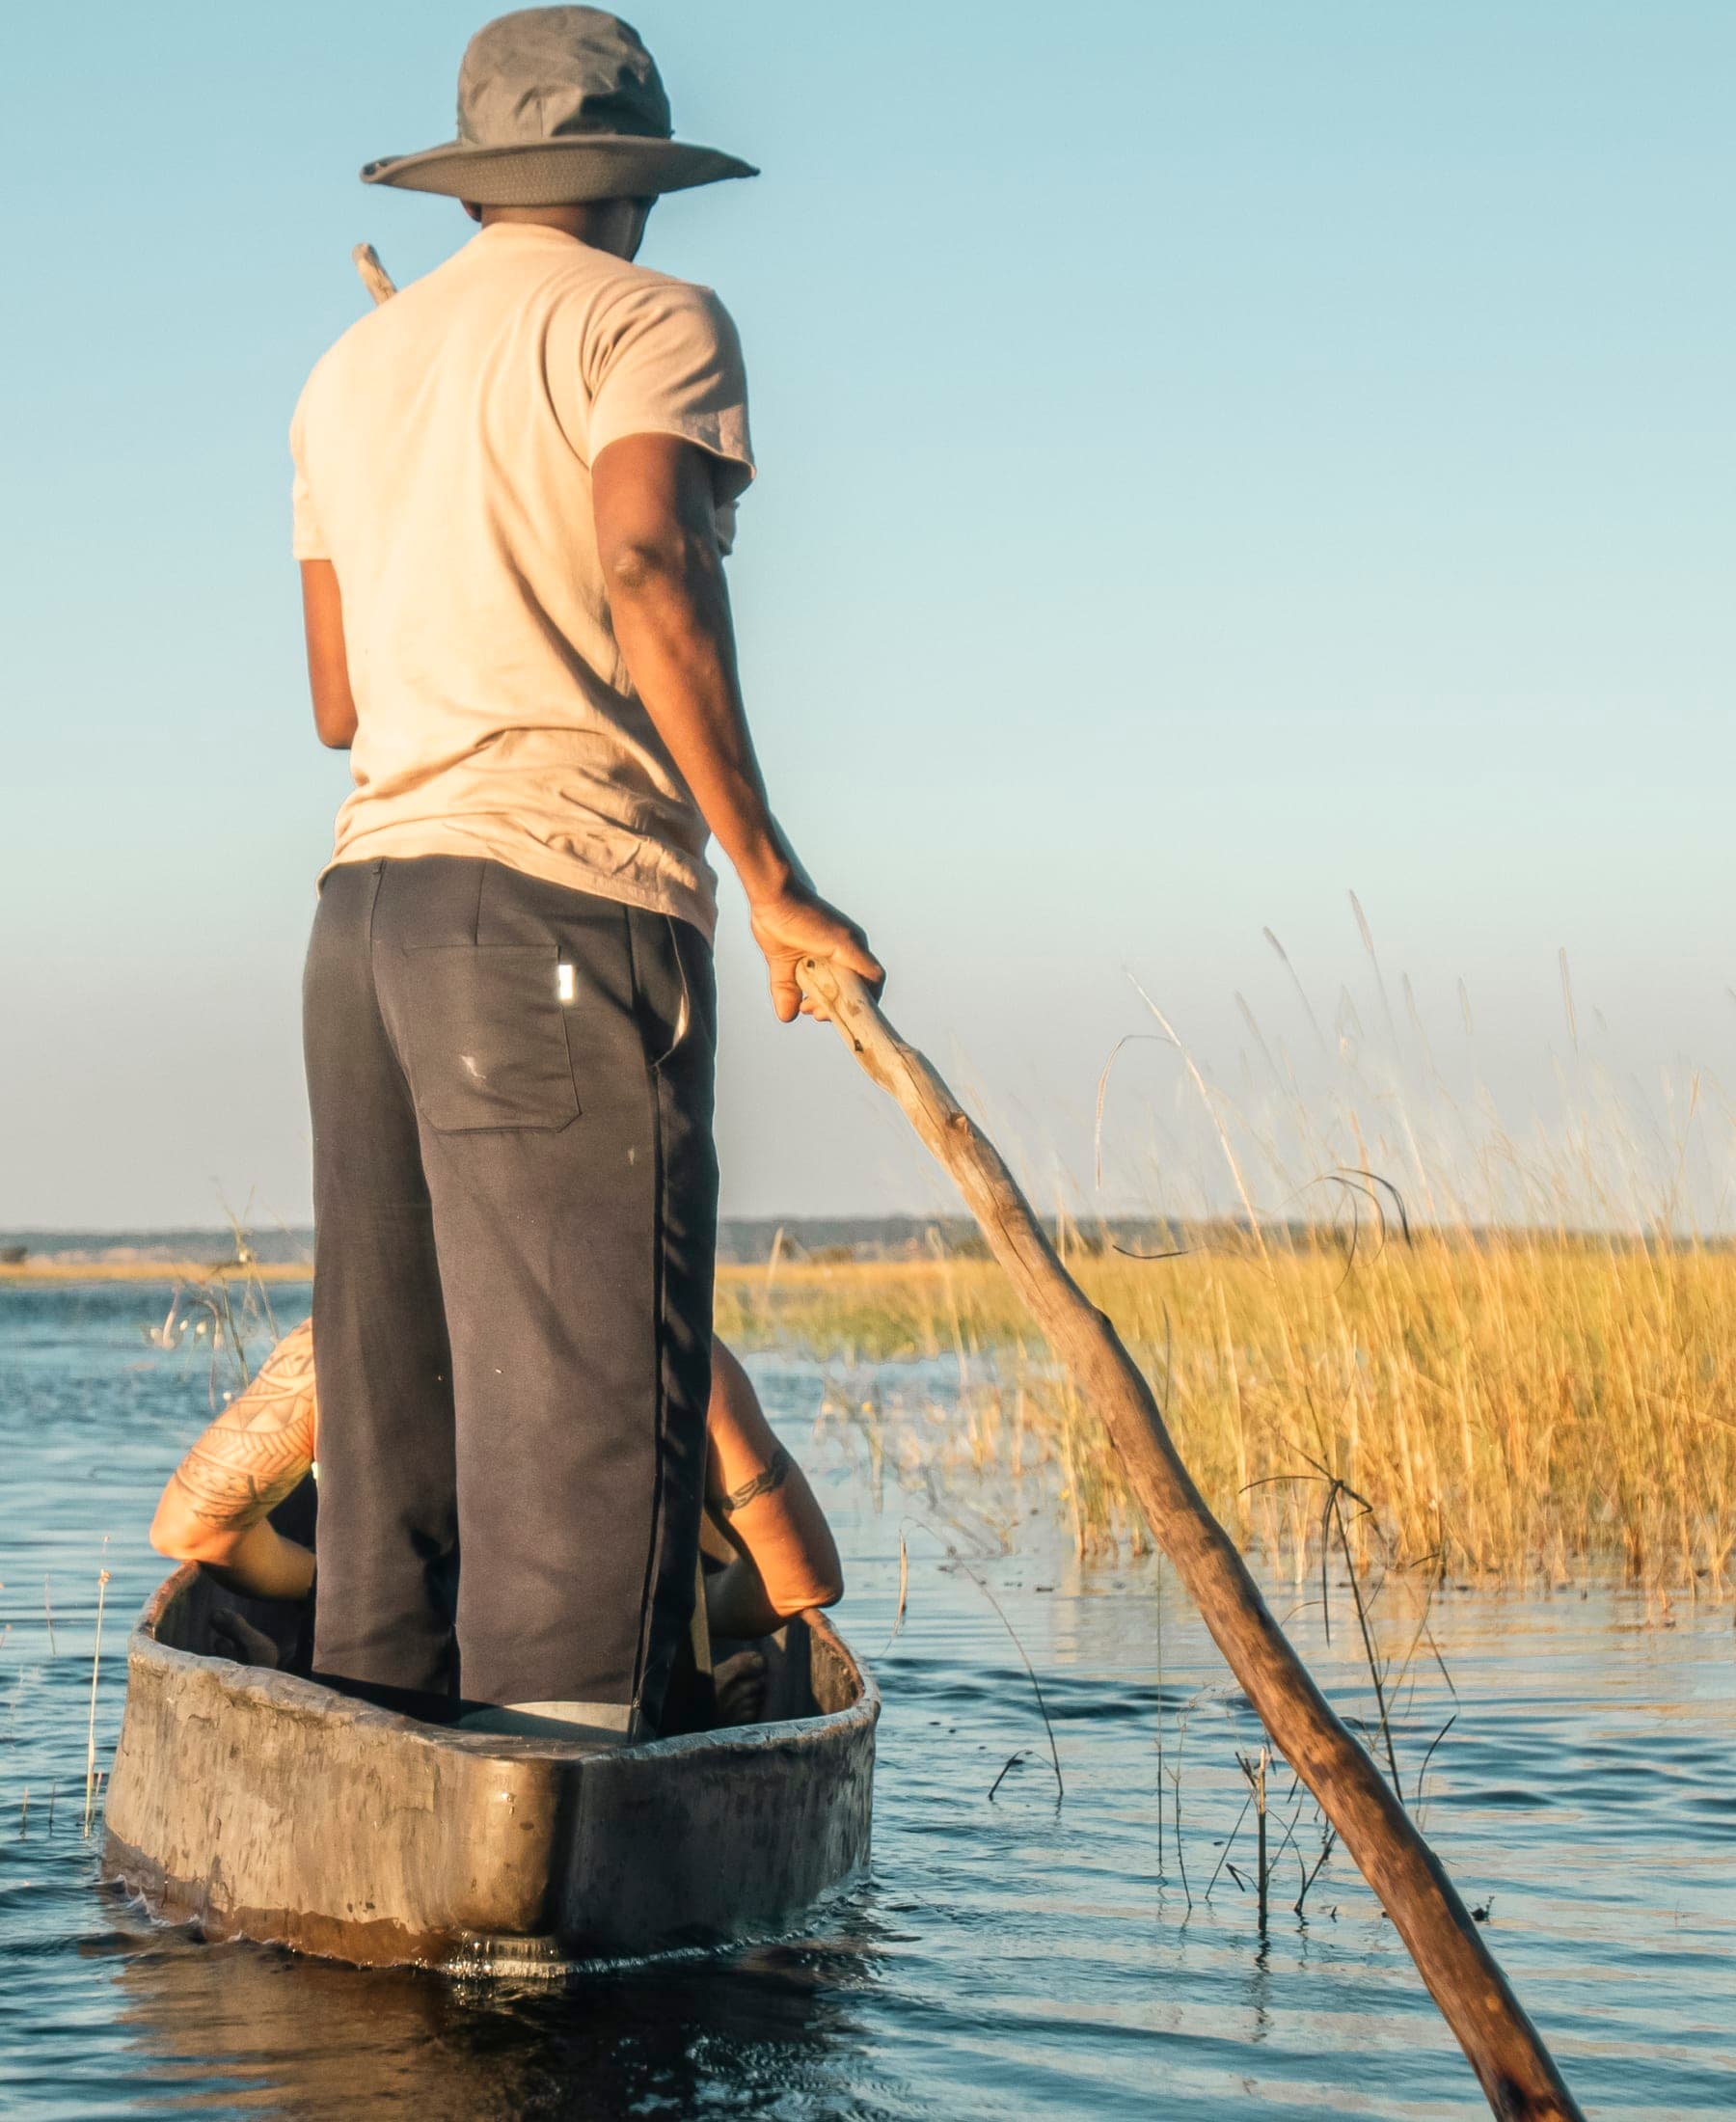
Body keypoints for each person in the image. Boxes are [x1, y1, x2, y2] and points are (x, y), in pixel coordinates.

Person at [289, 7, 881, 1737]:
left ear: (482, 184)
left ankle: (372, 1796)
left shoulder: (348, 373)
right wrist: (771, 873)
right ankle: (554, 1885)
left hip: (365, 919)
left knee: (393, 1417)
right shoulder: (652, 320)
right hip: (555, 905)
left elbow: (339, 704)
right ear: (632, 183)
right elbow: (643, 554)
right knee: (582, 1429)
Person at [149, 1320, 841, 1726]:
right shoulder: (670, 1344)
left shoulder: (331, 1345)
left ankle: (295, 1677)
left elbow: (193, 1532)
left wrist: (334, 1585)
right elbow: (800, 1582)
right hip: (608, 1711)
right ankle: (693, 1711)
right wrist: (685, 1613)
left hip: (389, 1693)